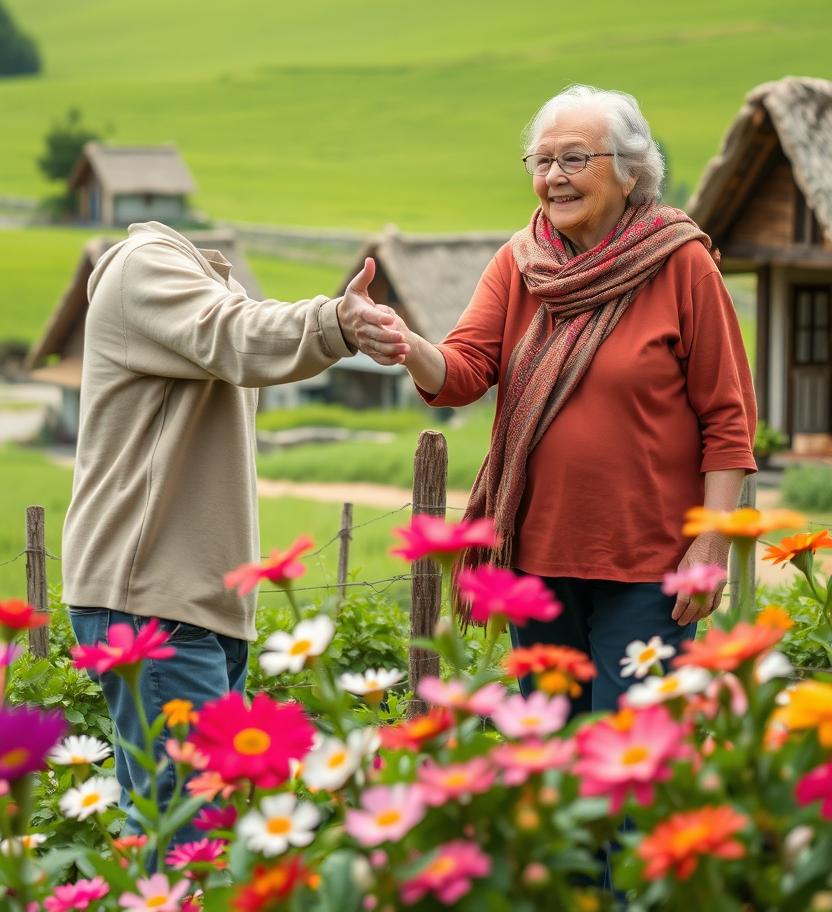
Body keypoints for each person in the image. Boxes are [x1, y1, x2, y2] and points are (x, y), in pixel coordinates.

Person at [361, 84, 757, 714]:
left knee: (632, 759)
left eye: (575, 159)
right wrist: (409, 344)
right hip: (536, 564)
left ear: (631, 173)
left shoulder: (682, 265)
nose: (554, 178)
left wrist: (711, 542)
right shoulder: (519, 264)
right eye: (542, 162)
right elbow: (464, 372)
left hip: (651, 566)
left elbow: (727, 417)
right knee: (555, 763)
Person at [63, 220, 398, 833]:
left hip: (192, 601)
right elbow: (235, 335)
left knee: (185, 823)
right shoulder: (147, 266)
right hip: (153, 600)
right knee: (188, 828)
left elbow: (235, 328)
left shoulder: (200, 281)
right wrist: (335, 323)